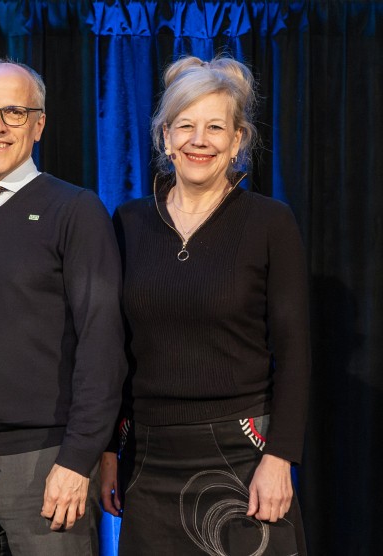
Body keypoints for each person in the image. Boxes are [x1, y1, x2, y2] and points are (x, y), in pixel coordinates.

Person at [100, 55, 310, 555]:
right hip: (148, 456)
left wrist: (281, 457)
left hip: (243, 450)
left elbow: (296, 353)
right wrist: (109, 450)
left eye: (216, 127)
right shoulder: (127, 222)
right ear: (164, 137)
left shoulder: (270, 223)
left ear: (238, 141)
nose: (200, 140)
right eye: (186, 126)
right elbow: (113, 351)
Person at [0, 59, 126, 555]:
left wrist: (79, 461)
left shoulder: (75, 210)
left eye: (14, 112)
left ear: (39, 124)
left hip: (48, 466)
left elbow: (103, 343)